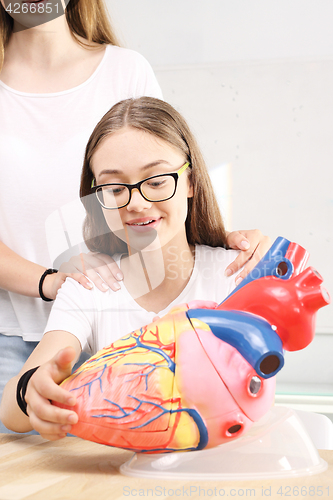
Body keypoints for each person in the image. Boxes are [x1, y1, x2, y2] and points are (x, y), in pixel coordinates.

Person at [0, 0, 270, 432]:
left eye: (154, 183)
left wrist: (227, 242)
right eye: (114, 187)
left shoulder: (230, 276)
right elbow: (17, 407)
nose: (137, 201)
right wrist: (55, 283)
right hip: (29, 319)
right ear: (97, 192)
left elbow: (159, 155)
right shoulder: (84, 295)